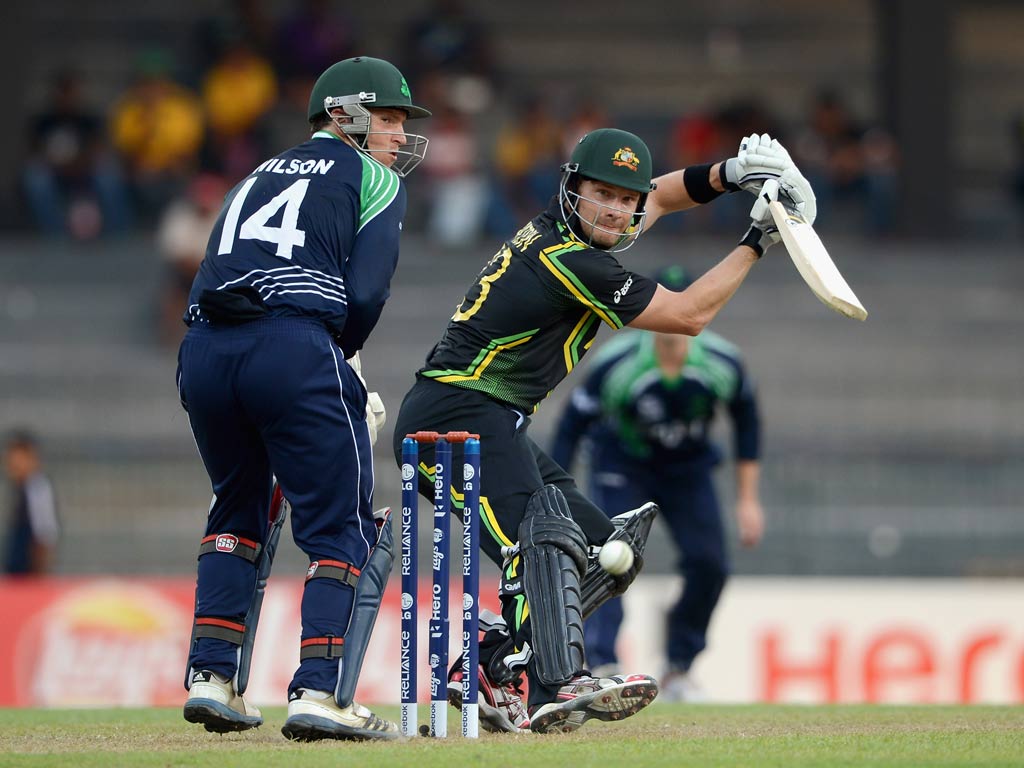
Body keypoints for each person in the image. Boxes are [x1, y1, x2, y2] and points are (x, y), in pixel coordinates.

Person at [392, 128, 814, 733]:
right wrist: (758, 239)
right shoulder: (567, 260)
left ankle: (486, 667)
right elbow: (688, 315)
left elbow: (660, 197)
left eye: (624, 198)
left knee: (610, 554)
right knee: (545, 544)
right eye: (601, 194)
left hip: (494, 420)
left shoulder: (580, 228)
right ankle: (555, 684)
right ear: (572, 191)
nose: (615, 209)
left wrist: (729, 172)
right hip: (453, 417)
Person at [177, 56, 429, 741]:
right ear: (346, 114)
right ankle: (321, 693)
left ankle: (212, 678)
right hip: (290, 350)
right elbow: (367, 293)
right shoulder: (371, 178)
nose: (399, 136)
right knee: (339, 522)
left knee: (237, 508)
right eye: (389, 118)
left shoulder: (253, 174)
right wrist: (339, 366)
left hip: (202, 352)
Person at [551, 265, 764, 701]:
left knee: (710, 565)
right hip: (622, 466)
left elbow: (748, 424)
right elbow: (570, 426)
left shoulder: (722, 363)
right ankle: (603, 662)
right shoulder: (619, 363)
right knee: (611, 560)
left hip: (689, 471)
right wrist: (555, 497)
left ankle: (680, 668)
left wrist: (748, 500)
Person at [3, 430, 59, 576]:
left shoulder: (38, 489)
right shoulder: (23, 489)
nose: (11, 464)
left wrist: (36, 579)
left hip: (27, 577)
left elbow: (44, 536)